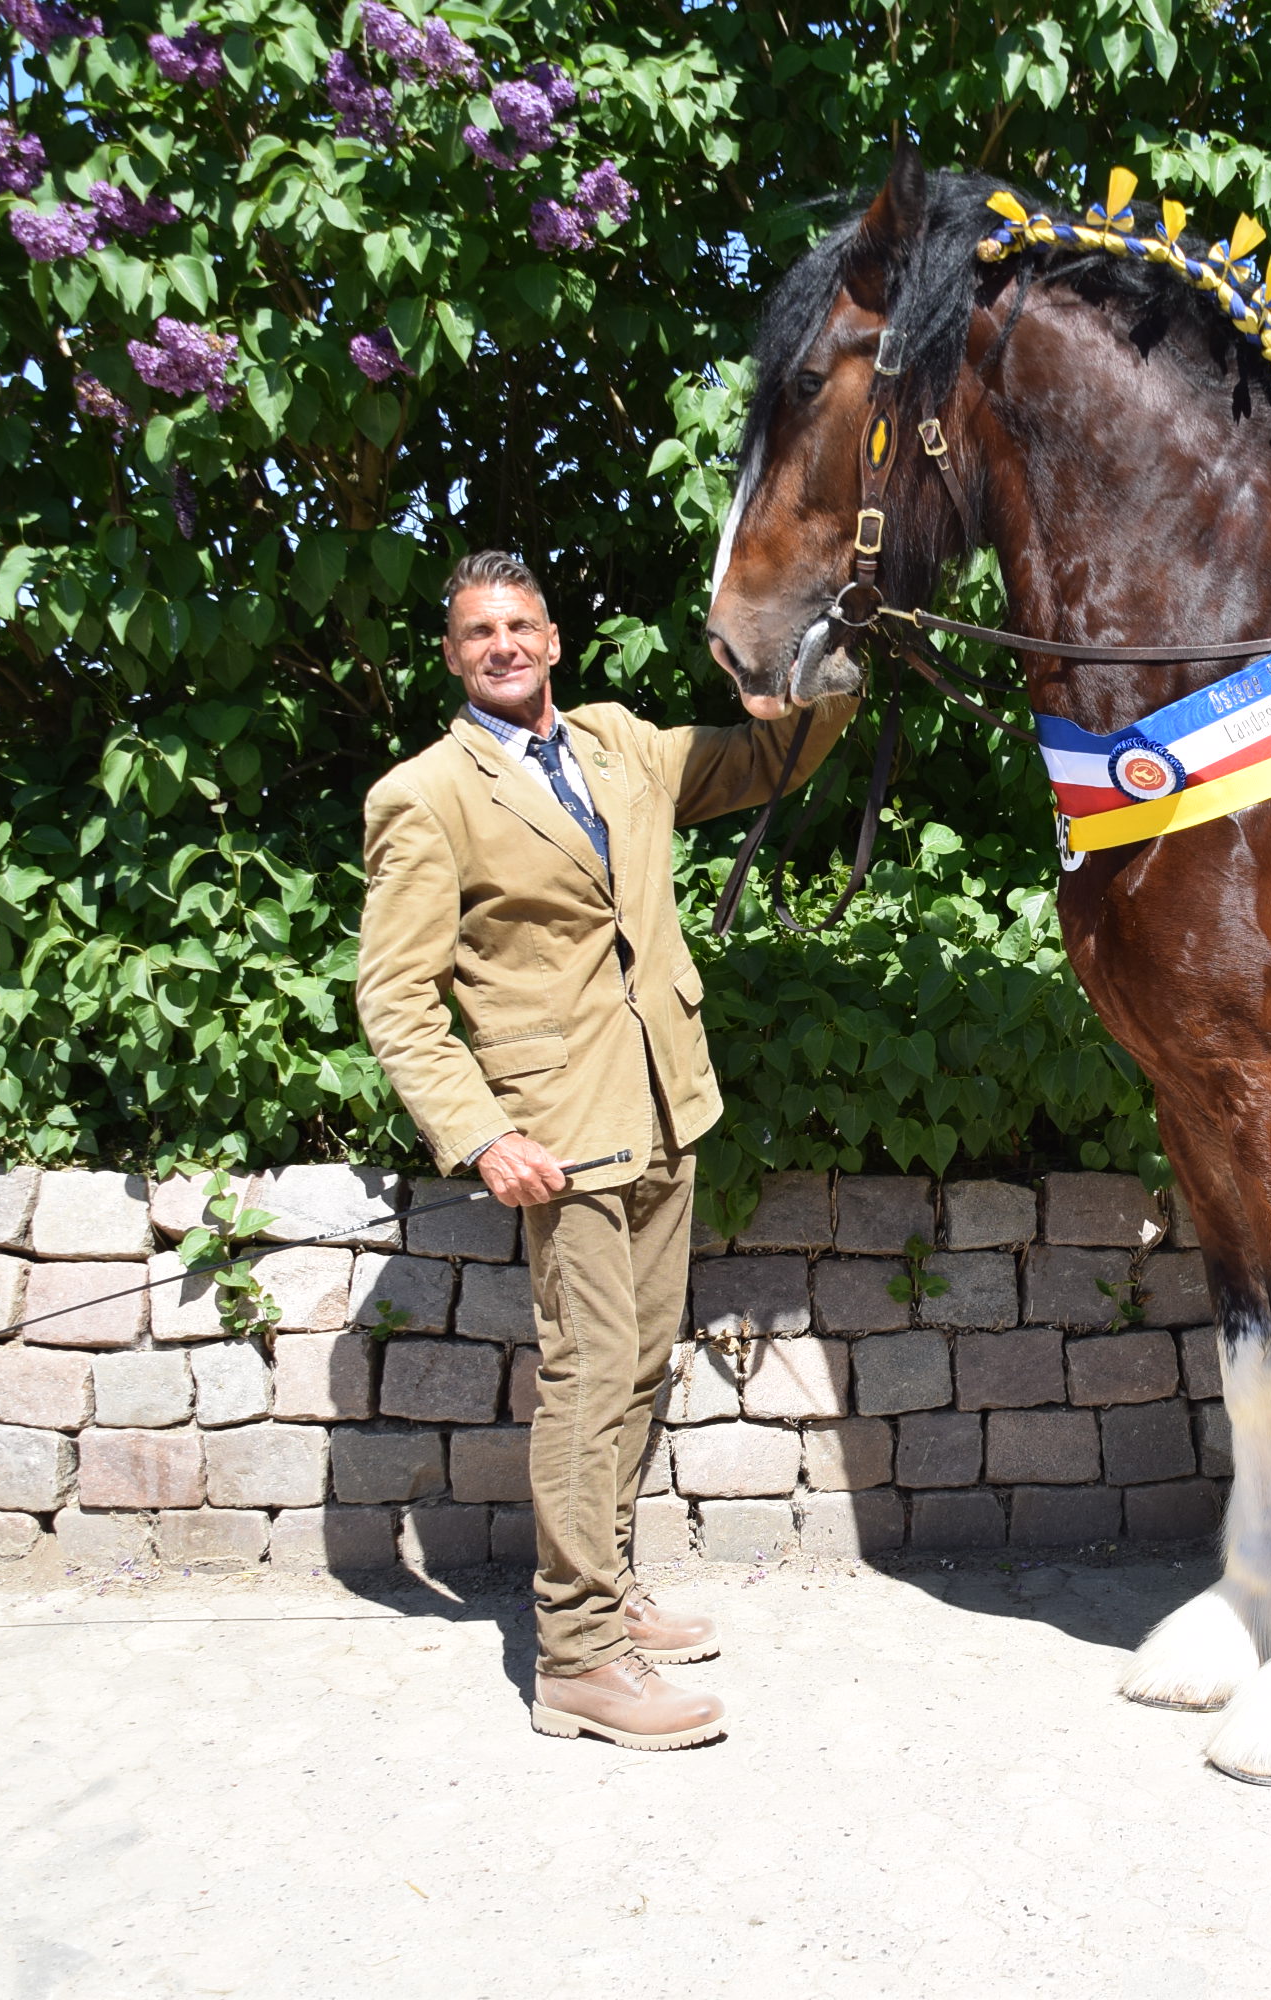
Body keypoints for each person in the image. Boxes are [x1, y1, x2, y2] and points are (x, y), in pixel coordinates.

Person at [357, 551, 848, 1750]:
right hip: (555, 1133)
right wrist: (481, 1135)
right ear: (453, 655)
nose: (503, 644)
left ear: (556, 638)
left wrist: (811, 687)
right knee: (585, 1381)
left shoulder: (620, 741)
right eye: (479, 631)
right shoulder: (426, 794)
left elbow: (767, 761)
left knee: (637, 1368)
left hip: (667, 1102)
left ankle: (612, 1583)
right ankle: (576, 1654)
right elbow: (396, 998)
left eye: (520, 624)